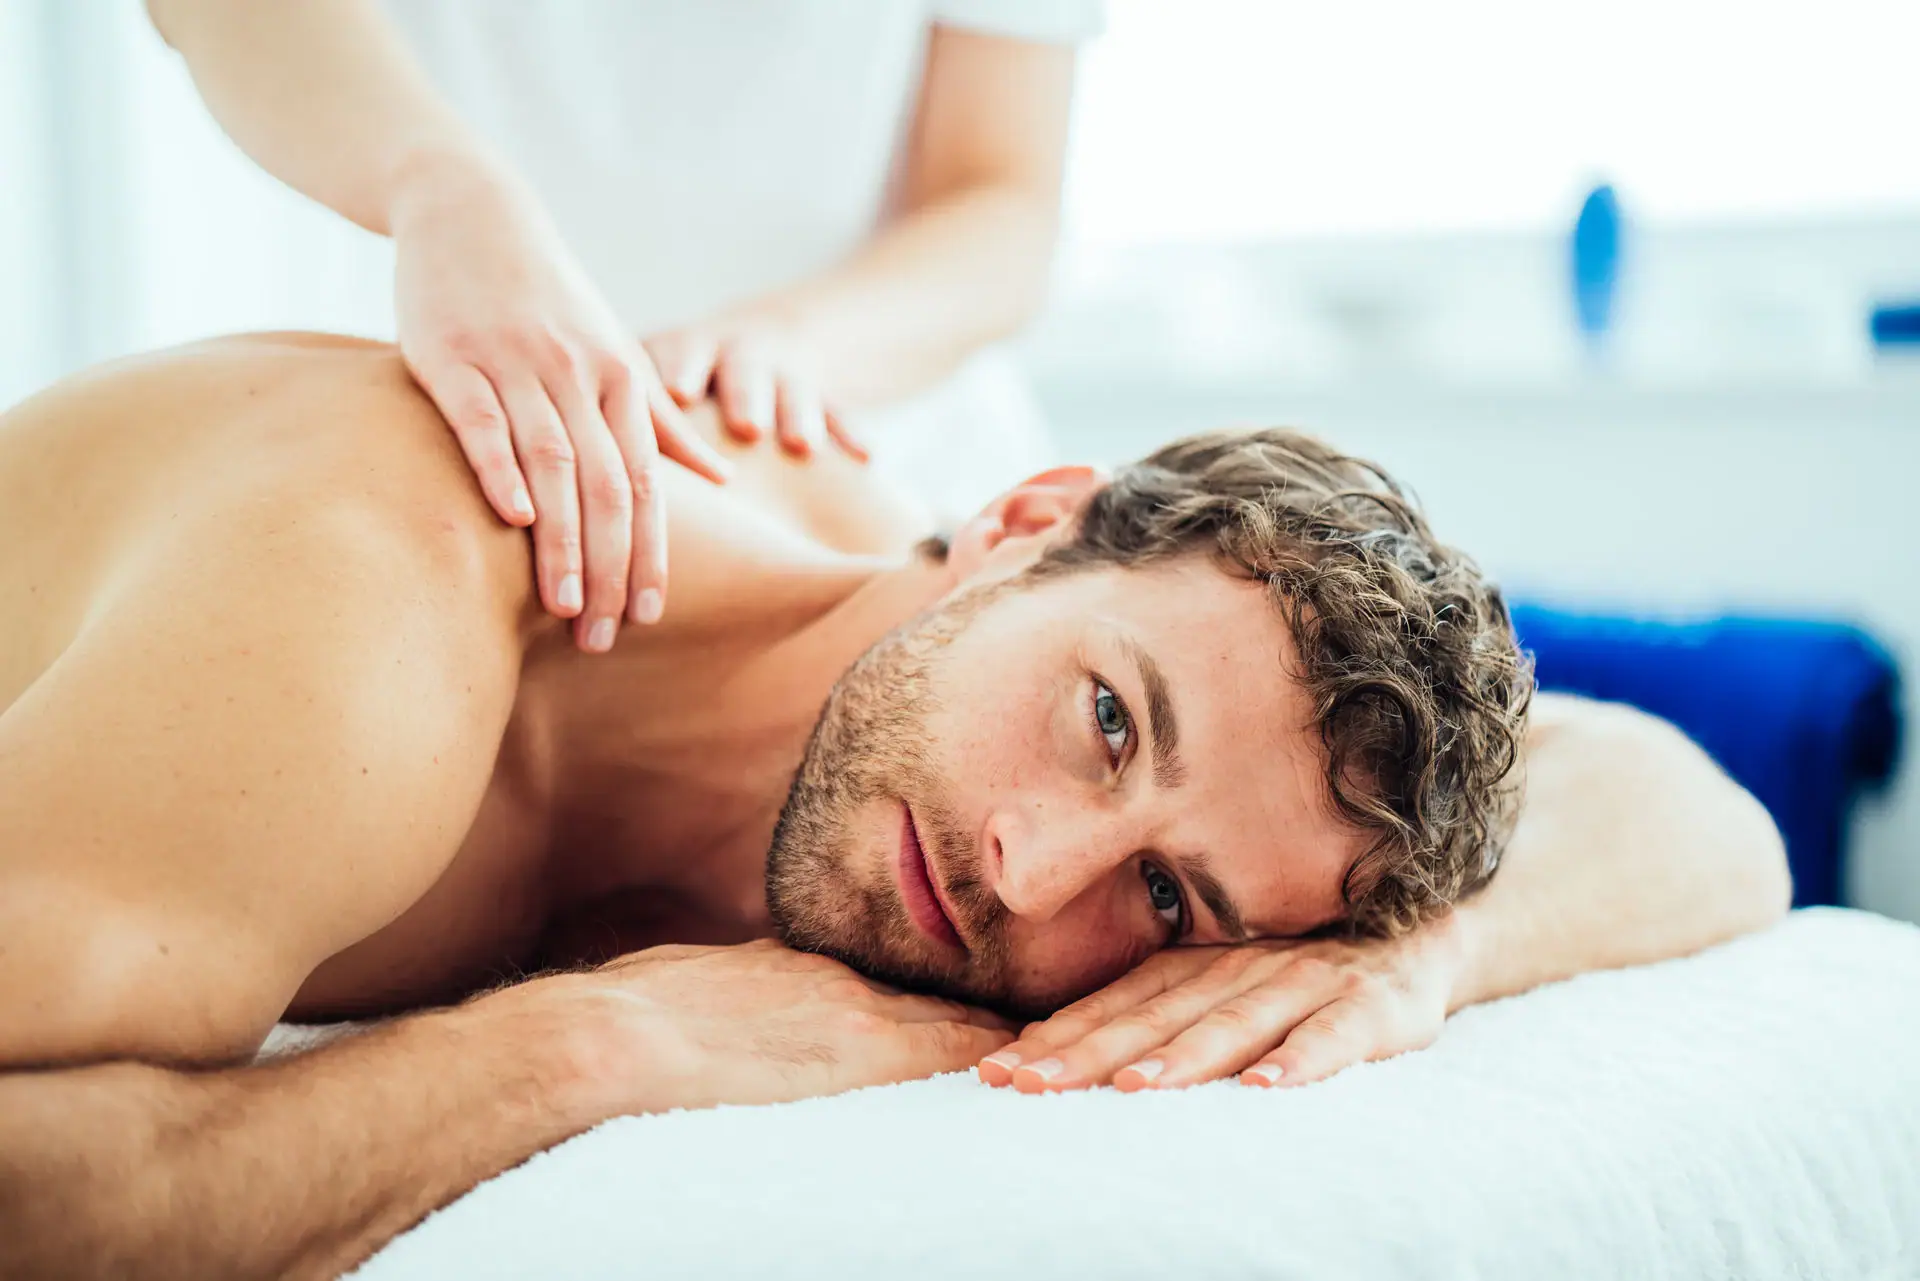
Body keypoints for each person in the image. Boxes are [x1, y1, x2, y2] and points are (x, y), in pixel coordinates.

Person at [0, 334, 1790, 1279]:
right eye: (1105, 722)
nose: (1034, 873)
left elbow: (1702, 816)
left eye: (1171, 903)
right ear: (1018, 520)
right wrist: (581, 1053)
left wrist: (1422, 964)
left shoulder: (989, 682)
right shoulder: (368, 638)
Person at [147, 0, 1092, 655]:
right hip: (465, 433)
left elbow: (1003, 201)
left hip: (874, 455)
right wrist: (441, 190)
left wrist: (783, 346)